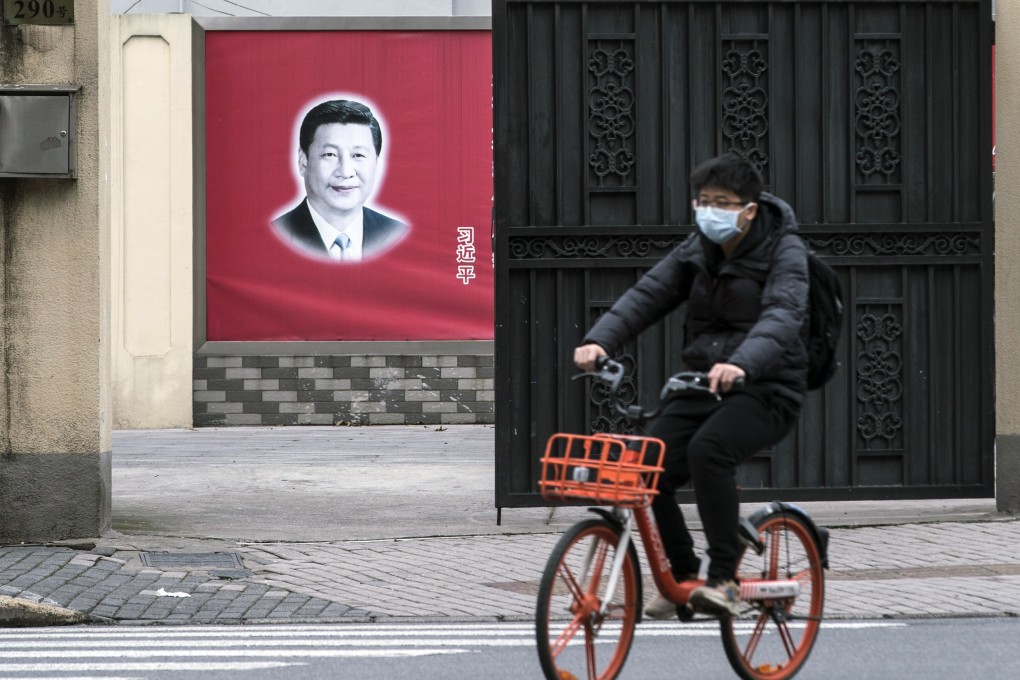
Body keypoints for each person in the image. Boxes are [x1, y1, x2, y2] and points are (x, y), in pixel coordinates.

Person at [573, 153, 810, 618]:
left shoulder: (785, 251)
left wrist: (741, 364)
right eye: (703, 201)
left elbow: (783, 316)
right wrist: (599, 340)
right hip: (705, 383)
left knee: (709, 451)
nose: (710, 211)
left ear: (749, 210)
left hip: (768, 387)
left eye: (722, 202)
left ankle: (723, 580)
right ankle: (682, 577)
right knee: (647, 467)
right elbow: (649, 294)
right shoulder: (698, 247)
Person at [272, 99, 409, 262]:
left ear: (376, 164)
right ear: (303, 161)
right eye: (330, 154)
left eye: (358, 155)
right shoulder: (275, 236)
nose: (345, 172)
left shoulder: (399, 234)